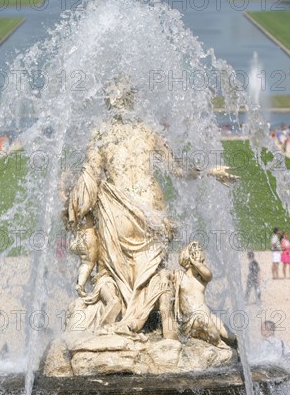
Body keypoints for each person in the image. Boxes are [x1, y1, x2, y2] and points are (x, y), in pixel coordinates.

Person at [65, 76, 238, 338]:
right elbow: (179, 168)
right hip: (151, 214)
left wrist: (72, 208)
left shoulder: (100, 135)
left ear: (108, 103)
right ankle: (163, 332)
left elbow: (88, 184)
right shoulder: (148, 131)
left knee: (114, 274)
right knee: (154, 277)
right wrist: (209, 171)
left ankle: (122, 320)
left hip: (119, 214)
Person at [173, 241, 235, 347]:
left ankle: (237, 351)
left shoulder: (202, 278)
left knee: (230, 336)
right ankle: (220, 347)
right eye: (195, 254)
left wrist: (197, 264)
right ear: (188, 258)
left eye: (200, 254)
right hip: (192, 317)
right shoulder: (180, 276)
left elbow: (209, 275)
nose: (199, 257)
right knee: (214, 335)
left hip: (206, 313)